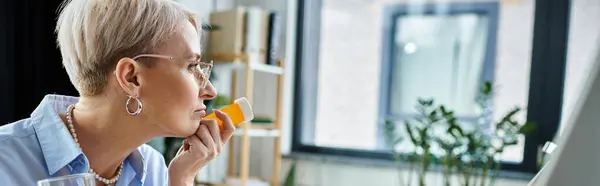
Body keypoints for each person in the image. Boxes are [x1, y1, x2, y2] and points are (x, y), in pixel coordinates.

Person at [0, 0, 236, 185]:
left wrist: (182, 180)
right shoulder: (5, 163)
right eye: (192, 66)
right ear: (130, 77)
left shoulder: (155, 170)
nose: (210, 90)